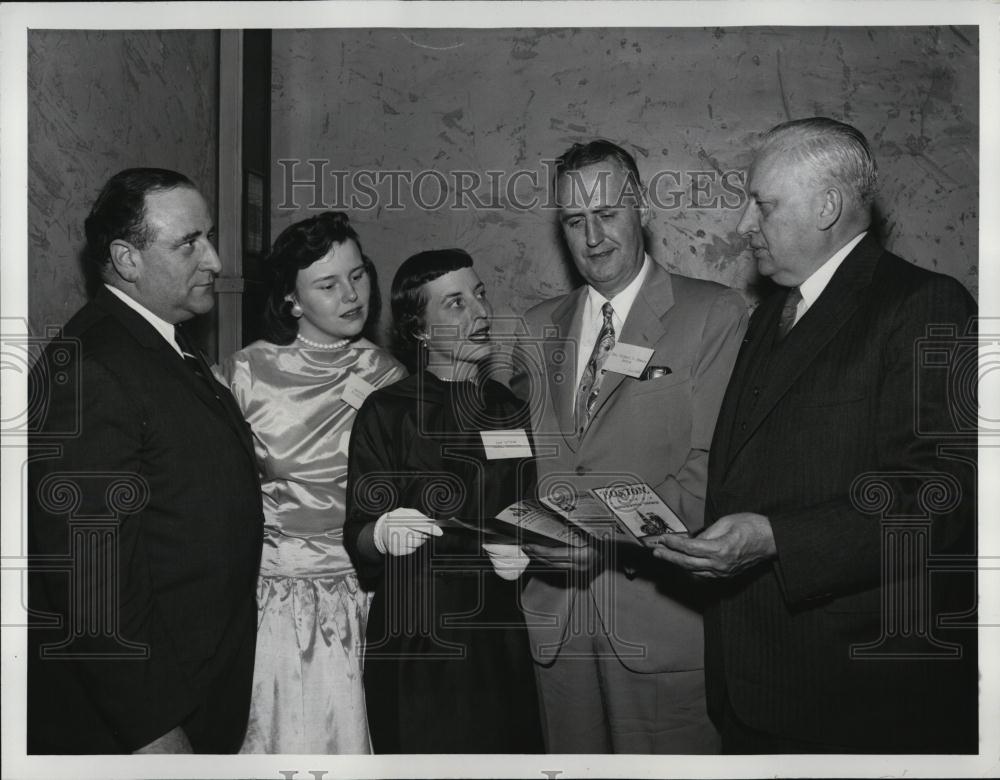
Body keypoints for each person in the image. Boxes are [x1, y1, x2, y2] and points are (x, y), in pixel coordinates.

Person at [651, 117, 978, 753]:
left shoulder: (926, 304)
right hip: (752, 682)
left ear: (827, 205)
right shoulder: (775, 309)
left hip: (854, 696)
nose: (745, 224)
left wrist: (775, 538)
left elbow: (944, 497)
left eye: (762, 204)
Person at [510, 140, 748, 753]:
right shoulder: (536, 328)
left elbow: (708, 476)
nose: (593, 237)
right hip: (557, 625)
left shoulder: (712, 313)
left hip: (660, 620)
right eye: (573, 221)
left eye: (607, 213)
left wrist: (593, 533)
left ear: (640, 208)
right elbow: (519, 469)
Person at [27, 168, 263, 753]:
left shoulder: (164, 345)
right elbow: (91, 579)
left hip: (202, 688)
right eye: (189, 243)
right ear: (126, 259)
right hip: (148, 722)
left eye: (208, 237)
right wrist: (154, 728)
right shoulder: (92, 367)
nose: (213, 259)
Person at [213, 212, 405, 753]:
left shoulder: (389, 374)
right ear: (292, 300)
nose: (352, 295)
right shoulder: (246, 373)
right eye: (328, 284)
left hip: (367, 592)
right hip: (274, 599)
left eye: (358, 274)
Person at [344, 249, 543, 753]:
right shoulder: (387, 413)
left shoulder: (512, 409)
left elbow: (529, 508)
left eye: (479, 295)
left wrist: (528, 544)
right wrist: (382, 534)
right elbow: (359, 538)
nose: (479, 314)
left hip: (498, 637)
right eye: (454, 304)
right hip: (417, 643)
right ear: (419, 330)